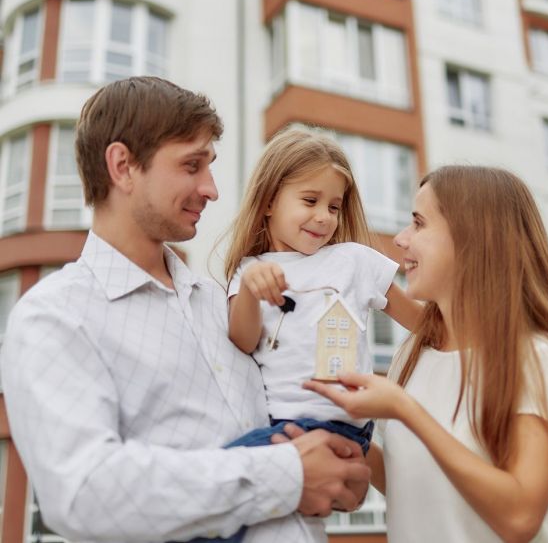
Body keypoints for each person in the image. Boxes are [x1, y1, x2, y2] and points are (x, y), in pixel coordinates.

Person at [1, 77, 371, 543]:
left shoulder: (225, 304)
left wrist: (340, 469)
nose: (212, 189)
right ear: (123, 166)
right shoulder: (54, 317)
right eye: (191, 166)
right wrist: (290, 475)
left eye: (210, 167)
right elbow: (85, 493)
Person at [306, 165, 548, 543]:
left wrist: (405, 409)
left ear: (473, 238)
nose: (401, 240)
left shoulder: (539, 359)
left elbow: (519, 519)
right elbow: (411, 485)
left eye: (419, 224)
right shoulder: (413, 354)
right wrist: (332, 428)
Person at [195, 127, 421, 543]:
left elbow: (421, 322)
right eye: (310, 201)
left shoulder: (354, 261)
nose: (324, 217)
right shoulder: (250, 270)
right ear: (267, 203)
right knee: (223, 505)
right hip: (283, 427)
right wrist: (248, 290)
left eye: (334, 206)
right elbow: (243, 341)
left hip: (338, 424)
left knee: (211, 489)